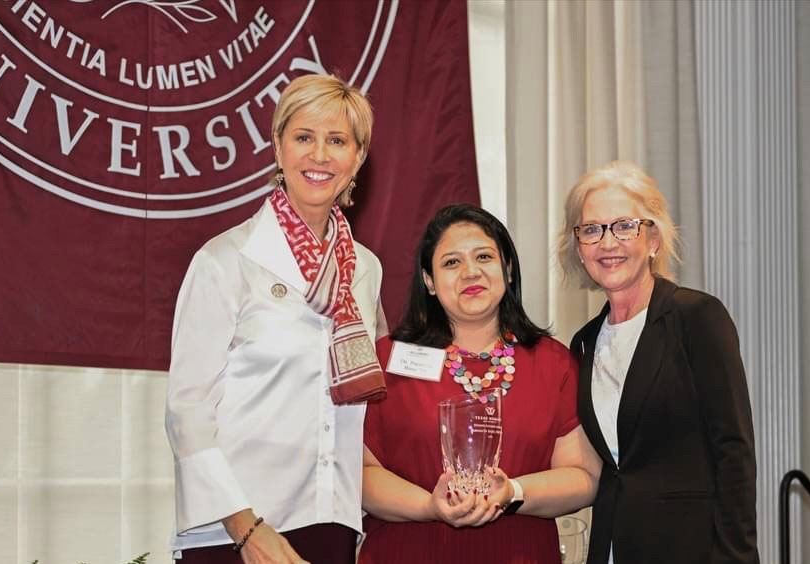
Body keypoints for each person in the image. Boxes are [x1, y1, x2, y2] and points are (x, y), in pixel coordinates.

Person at [165, 74, 386, 564]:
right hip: (235, 530)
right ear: (278, 147)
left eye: (338, 141)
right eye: (304, 137)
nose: (320, 156)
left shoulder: (366, 270)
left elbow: (369, 403)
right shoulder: (225, 259)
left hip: (332, 519)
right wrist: (247, 528)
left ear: (358, 159)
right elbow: (187, 412)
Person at [359, 204, 601, 563]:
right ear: (428, 280)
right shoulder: (386, 361)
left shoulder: (553, 363)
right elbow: (358, 476)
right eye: (451, 263)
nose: (470, 272)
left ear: (507, 268)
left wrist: (512, 492)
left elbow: (584, 478)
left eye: (484, 256)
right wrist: (430, 506)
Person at [560, 161, 759, 564]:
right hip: (612, 548)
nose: (607, 242)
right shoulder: (582, 343)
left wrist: (737, 557)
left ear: (652, 239)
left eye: (623, 226)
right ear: (579, 249)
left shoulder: (697, 318)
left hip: (692, 550)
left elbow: (733, 451)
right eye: (592, 229)